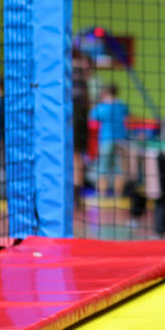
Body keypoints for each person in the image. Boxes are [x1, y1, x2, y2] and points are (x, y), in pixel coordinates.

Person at [89, 83, 129, 201]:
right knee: (119, 169)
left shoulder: (102, 106)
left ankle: (101, 194)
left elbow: (92, 117)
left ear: (105, 92)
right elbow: (127, 116)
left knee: (102, 168)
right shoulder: (121, 105)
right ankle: (118, 195)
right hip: (121, 139)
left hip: (106, 140)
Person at [72, 51, 92, 211]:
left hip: (73, 113)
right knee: (77, 155)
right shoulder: (80, 72)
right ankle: (76, 191)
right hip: (78, 113)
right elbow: (87, 99)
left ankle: (75, 191)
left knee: (75, 154)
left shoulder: (70, 69)